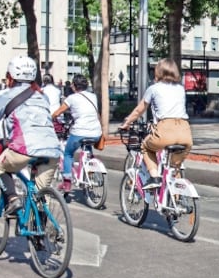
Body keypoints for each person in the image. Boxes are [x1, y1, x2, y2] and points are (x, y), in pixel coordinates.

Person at [0, 55, 61, 215]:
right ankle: (43, 232)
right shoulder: (42, 96)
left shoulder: (7, 95)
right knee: (41, 195)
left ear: (10, 77)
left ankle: (13, 199)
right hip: (53, 150)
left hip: (24, 149)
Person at [119, 58, 193, 188]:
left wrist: (127, 123)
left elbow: (139, 110)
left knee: (146, 147)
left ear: (158, 71)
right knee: (173, 167)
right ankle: (177, 200)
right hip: (185, 131)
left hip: (165, 130)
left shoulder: (153, 89)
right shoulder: (181, 89)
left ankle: (154, 177)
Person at [51, 74, 102, 193]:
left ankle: (67, 182)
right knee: (87, 146)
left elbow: (58, 112)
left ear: (73, 86)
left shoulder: (71, 98)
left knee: (68, 153)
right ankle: (89, 167)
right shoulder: (93, 96)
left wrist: (50, 118)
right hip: (96, 132)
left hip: (80, 132)